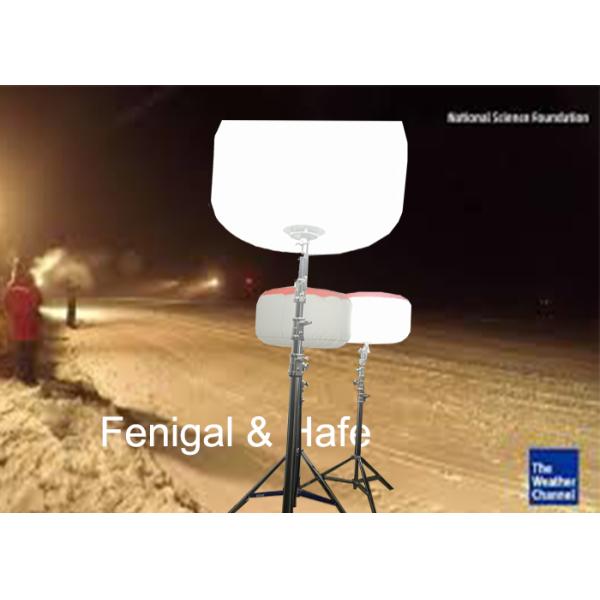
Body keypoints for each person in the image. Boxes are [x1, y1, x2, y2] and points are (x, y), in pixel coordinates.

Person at [2, 260, 43, 385]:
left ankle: (21, 374)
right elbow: (39, 300)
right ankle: (30, 375)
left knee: (20, 351)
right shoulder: (31, 285)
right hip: (30, 324)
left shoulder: (11, 287)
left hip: (17, 325)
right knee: (30, 351)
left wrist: (12, 314)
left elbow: (5, 304)